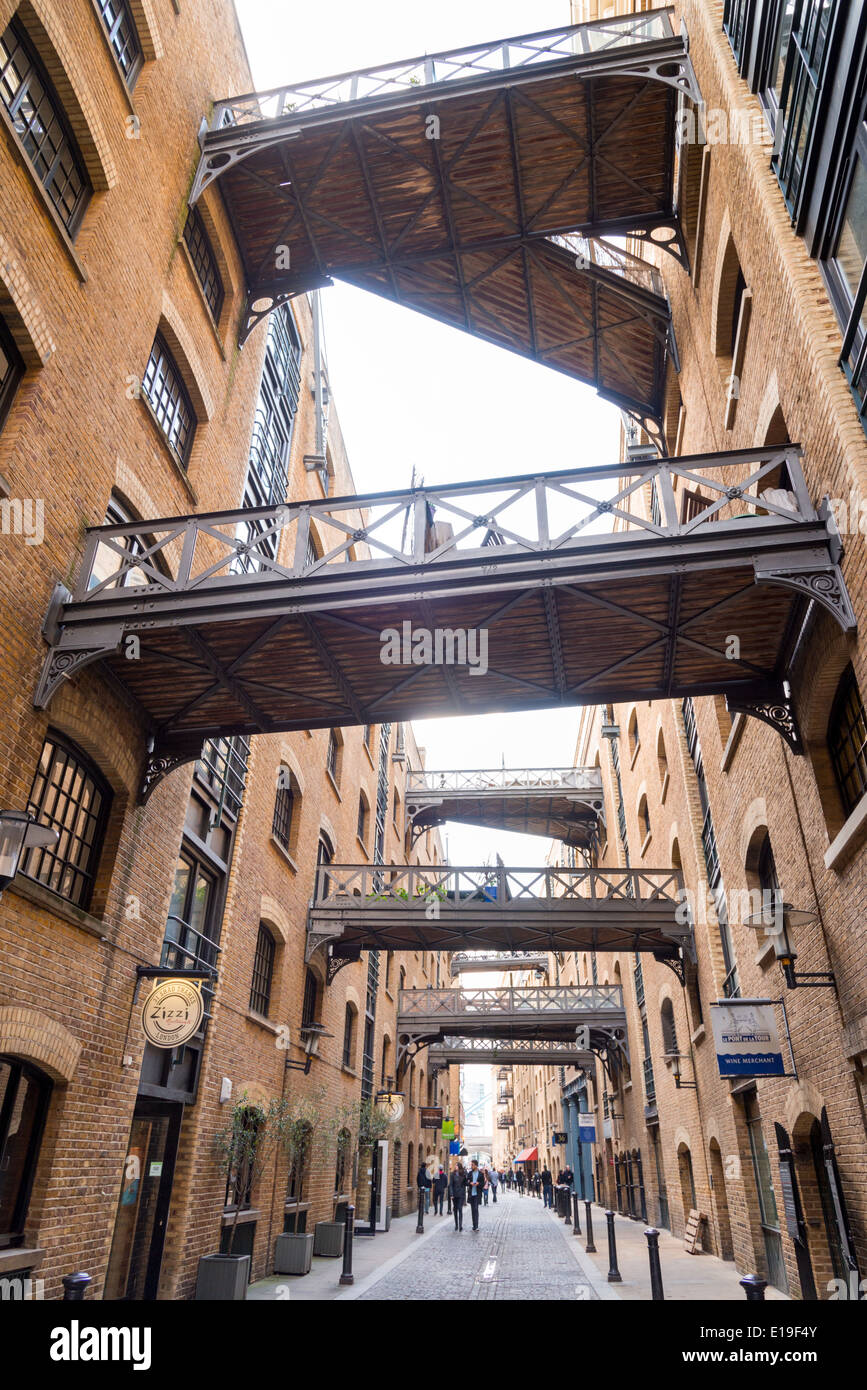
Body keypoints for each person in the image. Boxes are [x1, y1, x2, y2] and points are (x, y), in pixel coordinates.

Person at [466, 1159, 486, 1230]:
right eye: (471, 1165)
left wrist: (478, 1184)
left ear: (476, 1165)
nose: (471, 1166)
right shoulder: (470, 1173)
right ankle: (474, 1225)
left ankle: (476, 1225)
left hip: (477, 1194)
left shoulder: (480, 1174)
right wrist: (470, 1183)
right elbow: (466, 1182)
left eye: (472, 1165)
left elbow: (483, 1184)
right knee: (472, 1210)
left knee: (476, 1209)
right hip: (471, 1194)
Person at [449, 1163, 466, 1231]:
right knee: (455, 1210)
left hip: (461, 1195)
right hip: (455, 1195)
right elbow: (451, 1185)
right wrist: (451, 1194)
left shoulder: (463, 1174)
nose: (455, 1166)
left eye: (456, 1165)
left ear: (459, 1167)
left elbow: (465, 1184)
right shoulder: (452, 1174)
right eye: (455, 1165)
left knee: (460, 1209)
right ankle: (456, 1225)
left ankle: (460, 1225)